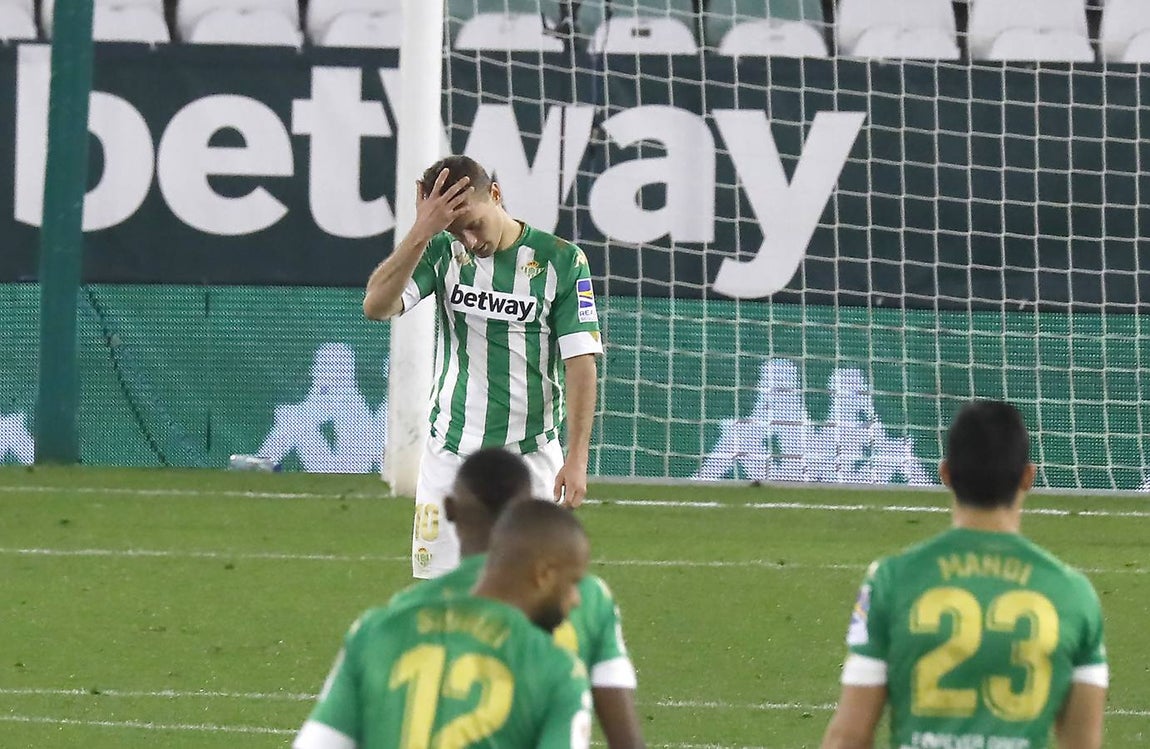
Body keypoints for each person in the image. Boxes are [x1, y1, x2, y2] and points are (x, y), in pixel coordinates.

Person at [363, 154, 602, 579]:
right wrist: (422, 231)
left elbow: (580, 360)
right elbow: (376, 306)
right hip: (451, 454)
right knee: (439, 597)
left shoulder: (561, 261)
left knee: (530, 596)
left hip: (529, 456)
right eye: (456, 230)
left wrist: (578, 455)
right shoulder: (441, 251)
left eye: (473, 224)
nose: (469, 241)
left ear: (495, 193)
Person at [820, 400, 1108, 749]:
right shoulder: (1073, 594)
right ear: (1028, 477)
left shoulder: (890, 581)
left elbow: (849, 736)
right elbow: (1082, 744)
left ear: (946, 474)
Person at [390, 447, 645, 749]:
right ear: (528, 511)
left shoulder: (396, 618)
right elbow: (626, 738)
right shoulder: (587, 607)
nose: (573, 597)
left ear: (450, 510)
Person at [293, 500, 594, 749]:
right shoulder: (555, 669)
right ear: (542, 575)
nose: (577, 598)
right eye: (572, 583)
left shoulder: (377, 634)